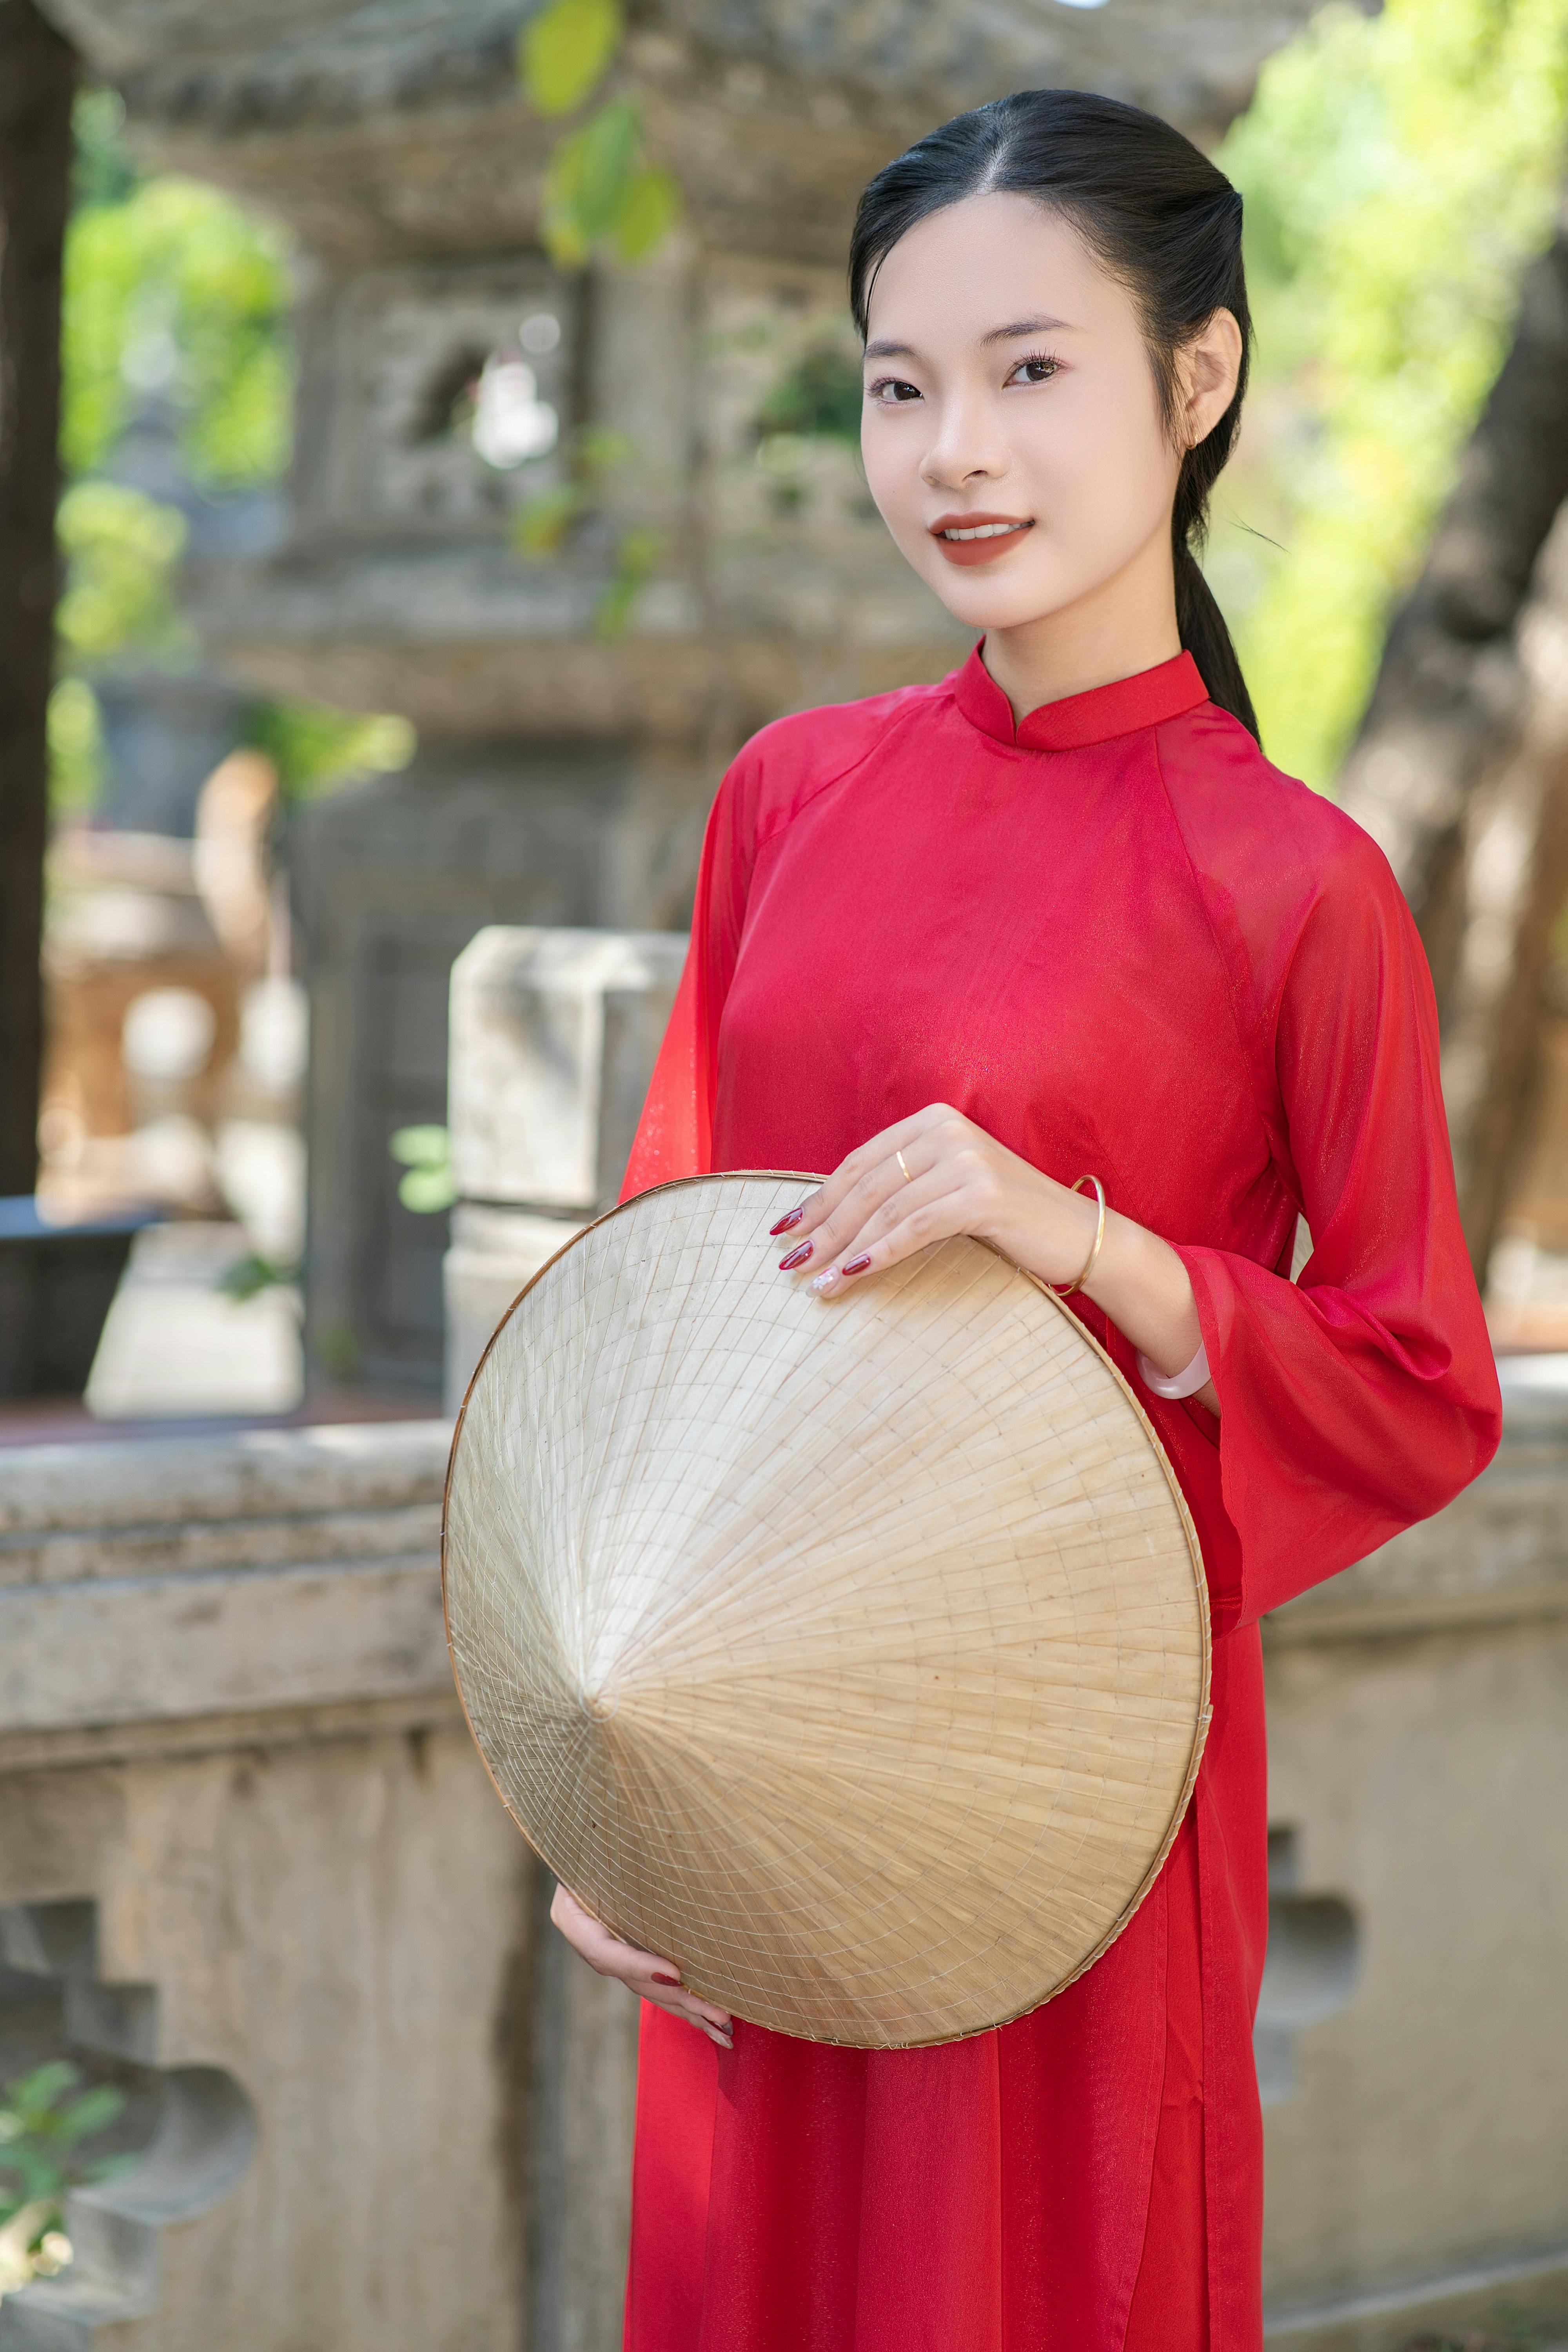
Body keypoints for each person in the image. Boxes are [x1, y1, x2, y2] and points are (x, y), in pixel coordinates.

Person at [549, 88, 1503, 2352]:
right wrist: (598, 1757)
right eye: (902, 387)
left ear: (1200, 380)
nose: (954, 448)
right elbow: (655, 1310)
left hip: (1064, 1784)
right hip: (758, 1754)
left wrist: (1084, 1244)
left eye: (1031, 371)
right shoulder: (793, 794)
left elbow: (1414, 1381)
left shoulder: (1299, 884)